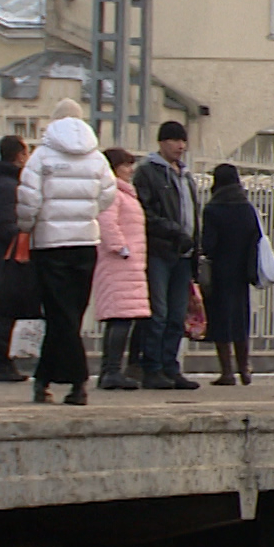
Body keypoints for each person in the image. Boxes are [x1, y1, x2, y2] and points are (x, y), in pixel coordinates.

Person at [17, 100, 116, 405]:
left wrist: (28, 226)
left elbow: (28, 200)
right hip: (85, 243)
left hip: (50, 245)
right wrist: (85, 214)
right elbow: (107, 196)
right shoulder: (97, 158)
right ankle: (46, 380)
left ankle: (76, 381)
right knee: (70, 315)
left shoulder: (41, 156)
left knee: (59, 314)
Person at [133, 120, 202, 390]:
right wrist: (173, 231)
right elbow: (145, 213)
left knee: (176, 314)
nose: (180, 146)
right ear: (162, 143)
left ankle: (170, 366)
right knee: (158, 312)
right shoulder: (148, 174)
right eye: (175, 140)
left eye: (183, 141)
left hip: (184, 254)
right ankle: (151, 367)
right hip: (160, 251)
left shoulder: (186, 176)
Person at [0, 135, 37, 384]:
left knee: (5, 310)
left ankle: (0, 360)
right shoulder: (5, 185)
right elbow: (2, 224)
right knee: (3, 311)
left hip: (1, 258)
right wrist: (24, 236)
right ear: (20, 155)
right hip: (4, 259)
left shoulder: (2, 182)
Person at [90, 148, 149, 391]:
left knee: (122, 317)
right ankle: (111, 370)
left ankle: (110, 370)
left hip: (128, 263)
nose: (130, 169)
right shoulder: (113, 192)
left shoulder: (123, 193)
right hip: (120, 262)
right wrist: (120, 247)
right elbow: (106, 222)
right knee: (120, 318)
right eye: (126, 165)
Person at [200, 164, 262, 386]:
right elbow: (255, 239)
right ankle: (245, 368)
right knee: (240, 319)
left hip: (219, 272)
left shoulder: (212, 209)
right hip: (242, 272)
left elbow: (208, 244)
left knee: (221, 319)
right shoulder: (246, 208)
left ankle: (227, 372)